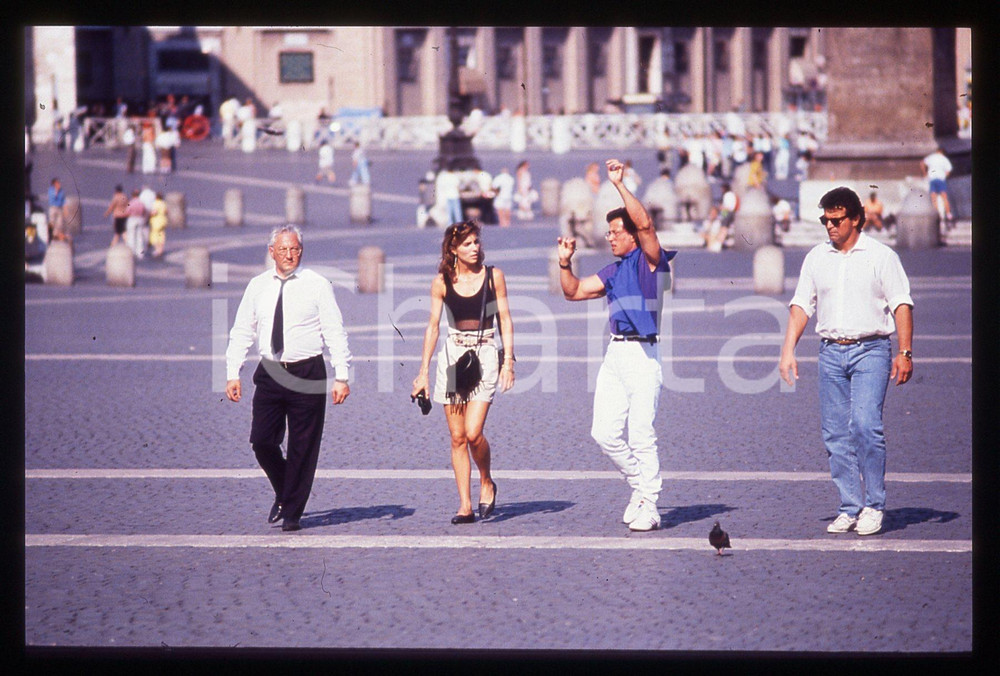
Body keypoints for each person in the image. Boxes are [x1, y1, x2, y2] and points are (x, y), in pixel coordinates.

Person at [779, 187, 913, 537]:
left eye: (836, 220)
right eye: (825, 219)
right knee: (836, 434)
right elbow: (801, 305)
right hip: (830, 352)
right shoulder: (816, 257)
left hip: (871, 349)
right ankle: (849, 506)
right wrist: (787, 350)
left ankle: (874, 505)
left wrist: (905, 351)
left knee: (866, 426)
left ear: (855, 218)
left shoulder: (881, 256)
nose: (830, 226)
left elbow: (901, 304)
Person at [556, 159, 677, 532]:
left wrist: (620, 185)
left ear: (631, 236)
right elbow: (574, 292)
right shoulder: (612, 271)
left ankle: (651, 505)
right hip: (616, 354)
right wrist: (564, 263)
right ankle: (639, 488)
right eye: (607, 232)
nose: (609, 237)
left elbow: (645, 224)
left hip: (643, 355)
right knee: (603, 432)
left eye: (614, 232)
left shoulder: (650, 262)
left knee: (641, 432)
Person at [225, 225, 352, 532]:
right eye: (283, 249)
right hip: (269, 371)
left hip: (307, 371)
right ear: (272, 252)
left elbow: (334, 330)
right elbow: (243, 329)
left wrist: (342, 375)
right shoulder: (257, 286)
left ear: (301, 251)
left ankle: (293, 511)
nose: (290, 255)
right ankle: (285, 489)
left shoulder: (317, 284)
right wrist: (233, 372)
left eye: (295, 249)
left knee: (302, 446)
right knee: (262, 441)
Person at [411, 221, 515, 524]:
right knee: (457, 437)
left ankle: (486, 480)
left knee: (473, 433)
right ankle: (465, 506)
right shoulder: (442, 281)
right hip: (454, 355)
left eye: (476, 242)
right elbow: (432, 326)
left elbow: (506, 320)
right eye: (467, 244)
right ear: (453, 249)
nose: (475, 248)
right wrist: (422, 374)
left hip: (484, 353)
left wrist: (508, 361)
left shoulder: (494, 277)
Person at [920, 146, 954, 226]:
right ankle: (948, 214)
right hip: (940, 179)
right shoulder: (944, 159)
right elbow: (948, 170)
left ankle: (937, 215)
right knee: (944, 197)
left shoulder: (931, 157)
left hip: (932, 179)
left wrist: (925, 173)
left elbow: (922, 163)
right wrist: (944, 176)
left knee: (933, 198)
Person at [124, 189, 147, 258]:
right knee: (139, 237)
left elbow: (127, 212)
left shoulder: (131, 202)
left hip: (132, 219)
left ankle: (131, 252)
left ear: (132, 195)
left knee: (131, 236)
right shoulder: (141, 203)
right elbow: (144, 211)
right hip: (140, 219)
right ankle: (140, 254)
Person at [46, 178, 67, 242]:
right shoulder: (51, 190)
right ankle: (50, 235)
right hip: (53, 208)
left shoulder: (61, 191)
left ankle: (56, 235)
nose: (59, 184)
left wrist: (65, 209)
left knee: (59, 223)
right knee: (52, 222)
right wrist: (56, 191)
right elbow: (53, 197)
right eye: (57, 183)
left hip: (59, 208)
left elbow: (63, 200)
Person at [148, 192, 168, 258]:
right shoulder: (163, 203)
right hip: (163, 221)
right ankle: (161, 250)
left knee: (154, 236)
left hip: (156, 222)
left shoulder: (156, 203)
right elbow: (166, 211)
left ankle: (157, 250)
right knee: (161, 235)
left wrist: (149, 215)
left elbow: (154, 212)